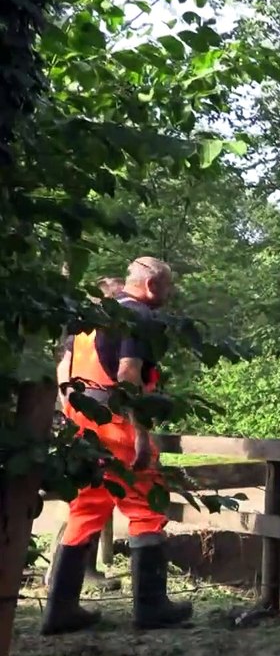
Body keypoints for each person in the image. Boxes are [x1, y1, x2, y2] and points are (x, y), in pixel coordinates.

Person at [42, 257, 193, 635]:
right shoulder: (137, 317)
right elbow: (128, 374)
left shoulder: (89, 319)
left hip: (84, 427)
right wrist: (141, 433)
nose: (170, 293)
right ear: (153, 285)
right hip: (117, 425)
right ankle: (151, 607)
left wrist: (73, 421)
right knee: (145, 506)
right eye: (168, 286)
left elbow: (62, 372)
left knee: (86, 510)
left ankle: (60, 610)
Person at [47, 276, 127, 592]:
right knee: (85, 499)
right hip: (96, 421)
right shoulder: (104, 332)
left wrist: (69, 406)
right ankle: (67, 574)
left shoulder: (81, 332)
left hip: (81, 417)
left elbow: (63, 371)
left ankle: (75, 572)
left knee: (86, 497)